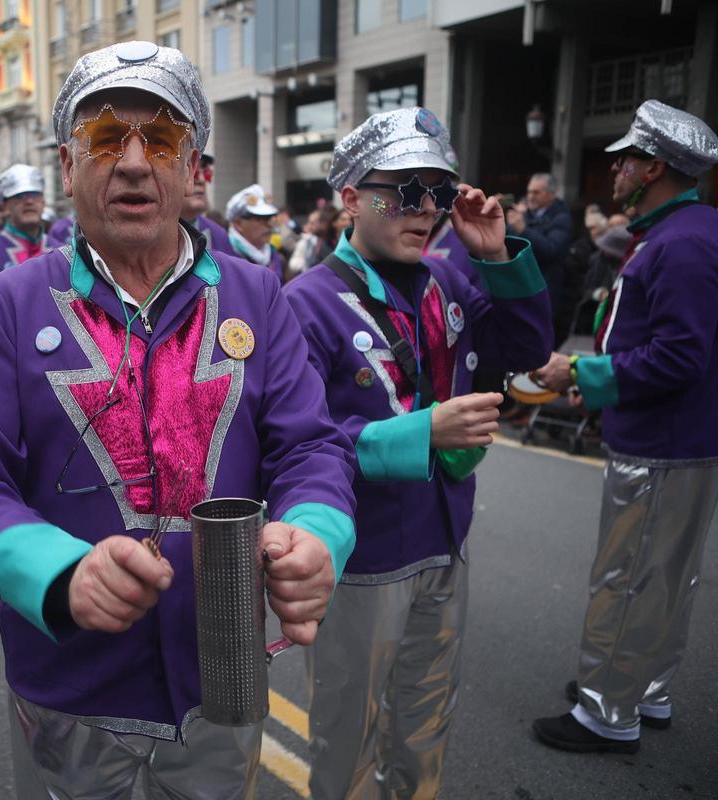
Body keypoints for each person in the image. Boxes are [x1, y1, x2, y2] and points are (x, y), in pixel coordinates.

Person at [0, 40, 357, 798]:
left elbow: (310, 448)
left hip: (222, 676)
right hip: (68, 685)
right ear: (67, 167)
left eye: (159, 139)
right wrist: (58, 573)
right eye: (103, 139)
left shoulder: (256, 296)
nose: (131, 163)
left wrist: (317, 533)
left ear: (192, 169)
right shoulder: (7, 304)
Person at [284, 106, 553, 800]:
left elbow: (527, 351)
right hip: (363, 557)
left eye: (437, 191)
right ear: (351, 198)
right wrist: (421, 432)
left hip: (445, 535)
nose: (425, 208)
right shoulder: (304, 303)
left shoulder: (448, 281)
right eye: (403, 190)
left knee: (426, 722)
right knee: (347, 733)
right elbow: (298, 444)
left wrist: (495, 255)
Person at [530, 100, 718, 754]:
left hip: (661, 441)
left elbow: (679, 356)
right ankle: (644, 687)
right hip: (679, 437)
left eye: (626, 160)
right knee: (664, 576)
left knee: (629, 575)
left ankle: (608, 710)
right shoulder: (687, 230)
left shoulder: (681, 241)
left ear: (654, 168)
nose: (615, 169)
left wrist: (583, 372)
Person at [506, 172, 572, 343]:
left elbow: (551, 250)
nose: (531, 196)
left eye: (537, 192)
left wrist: (524, 229)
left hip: (545, 290)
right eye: (529, 192)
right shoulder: (525, 214)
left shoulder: (561, 218)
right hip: (519, 288)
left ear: (552, 194)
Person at [0, 164, 48, 292]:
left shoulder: (59, 247)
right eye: (19, 196)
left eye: (35, 194)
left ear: (43, 203)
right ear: (5, 207)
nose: (29, 201)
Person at [226, 184, 285, 281]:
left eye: (269, 218)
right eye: (260, 219)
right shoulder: (225, 255)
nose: (269, 225)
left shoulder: (273, 256)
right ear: (238, 224)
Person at [180, 153, 234, 257]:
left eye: (204, 171)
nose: (201, 179)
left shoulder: (218, 234)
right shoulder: (150, 230)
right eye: (191, 171)